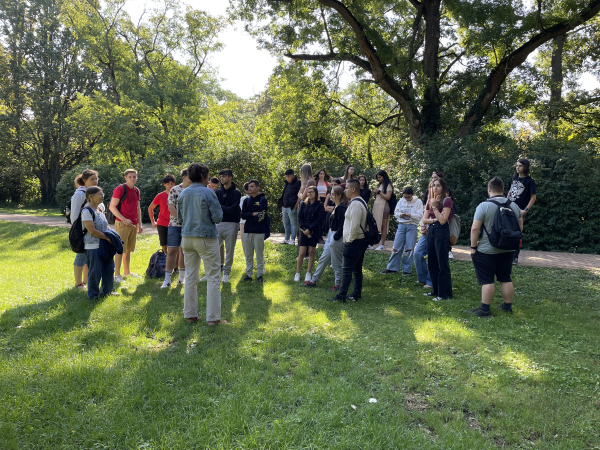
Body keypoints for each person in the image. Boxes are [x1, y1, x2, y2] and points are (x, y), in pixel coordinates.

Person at [466, 177, 523, 317]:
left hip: (487, 249)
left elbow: (474, 229)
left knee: (487, 280)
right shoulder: (514, 206)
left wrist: (473, 247)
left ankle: (484, 309)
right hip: (508, 248)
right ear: (503, 190)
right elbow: (520, 229)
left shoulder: (484, 206)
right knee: (505, 278)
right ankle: (507, 307)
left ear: (489, 189)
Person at [178, 163, 225, 325]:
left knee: (191, 276)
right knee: (213, 277)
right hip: (206, 237)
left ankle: (191, 314)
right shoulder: (208, 192)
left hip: (187, 237)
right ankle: (213, 318)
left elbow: (180, 218)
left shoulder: (184, 193)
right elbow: (218, 217)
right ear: (204, 176)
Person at [327, 179, 368, 303]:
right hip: (360, 240)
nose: (345, 190)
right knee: (356, 269)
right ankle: (356, 293)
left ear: (353, 189)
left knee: (347, 269)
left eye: (346, 188)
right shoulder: (361, 202)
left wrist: (349, 241)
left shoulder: (356, 204)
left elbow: (355, 225)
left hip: (355, 241)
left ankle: (341, 296)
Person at [305, 186, 347, 289]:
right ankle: (313, 280)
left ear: (339, 196)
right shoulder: (336, 206)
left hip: (336, 236)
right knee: (323, 259)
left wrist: (336, 236)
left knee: (336, 262)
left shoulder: (342, 208)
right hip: (331, 235)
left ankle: (338, 284)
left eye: (332, 194)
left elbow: (343, 224)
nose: (330, 196)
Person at [81, 187, 117, 300]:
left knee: (109, 269)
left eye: (102, 193)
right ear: (90, 197)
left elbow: (105, 226)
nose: (102, 196)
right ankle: (93, 296)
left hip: (105, 245)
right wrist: (108, 238)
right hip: (93, 246)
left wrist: (112, 235)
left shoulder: (100, 208)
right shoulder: (86, 211)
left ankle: (107, 292)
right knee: (95, 272)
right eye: (99, 194)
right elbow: (92, 231)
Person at [423, 177, 454, 301]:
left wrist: (435, 207)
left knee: (442, 263)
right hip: (431, 230)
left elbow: (443, 220)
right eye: (433, 185)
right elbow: (424, 220)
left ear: (443, 187)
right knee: (432, 262)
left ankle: (444, 293)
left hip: (442, 231)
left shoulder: (447, 201)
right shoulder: (429, 201)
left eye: (438, 186)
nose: (435, 188)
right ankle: (435, 290)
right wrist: (434, 219)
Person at [110, 169, 143, 282]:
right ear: (125, 178)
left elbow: (138, 208)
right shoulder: (120, 189)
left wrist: (139, 224)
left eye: (134, 176)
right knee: (120, 249)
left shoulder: (137, 190)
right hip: (122, 223)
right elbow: (112, 207)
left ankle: (127, 272)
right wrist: (124, 219)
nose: (133, 179)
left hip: (133, 224)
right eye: (130, 177)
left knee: (128, 250)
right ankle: (116, 275)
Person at [381, 186, 423, 275]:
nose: (407, 199)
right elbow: (395, 212)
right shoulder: (401, 201)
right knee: (396, 247)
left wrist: (410, 215)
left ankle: (406, 270)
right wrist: (400, 214)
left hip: (412, 225)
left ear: (413, 194)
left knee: (409, 248)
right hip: (401, 225)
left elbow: (420, 215)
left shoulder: (418, 202)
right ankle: (392, 268)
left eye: (409, 197)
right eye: (405, 197)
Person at [161, 169, 191, 289]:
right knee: (172, 250)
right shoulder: (175, 189)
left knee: (184, 251)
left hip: (189, 227)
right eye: (190, 177)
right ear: (184, 177)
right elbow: (171, 207)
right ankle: (167, 280)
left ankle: (181, 278)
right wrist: (183, 219)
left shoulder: (194, 190)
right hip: (175, 225)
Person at [70, 169, 98, 289]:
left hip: (93, 230)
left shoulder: (95, 193)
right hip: (82, 231)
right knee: (81, 256)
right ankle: (78, 283)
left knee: (89, 256)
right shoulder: (79, 194)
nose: (95, 181)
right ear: (84, 180)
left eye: (96, 179)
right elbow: (74, 215)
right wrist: (79, 231)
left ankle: (86, 281)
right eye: (92, 179)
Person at [507, 158, 536, 265]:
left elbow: (533, 197)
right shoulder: (513, 178)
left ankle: (515, 257)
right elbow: (509, 192)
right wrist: (505, 203)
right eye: (516, 165)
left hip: (520, 210)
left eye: (520, 165)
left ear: (525, 167)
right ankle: (506, 254)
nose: (517, 167)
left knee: (517, 233)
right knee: (506, 230)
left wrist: (526, 210)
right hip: (508, 208)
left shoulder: (530, 181)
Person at [295, 186, 325, 282]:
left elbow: (319, 220)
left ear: (315, 193)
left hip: (314, 231)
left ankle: (308, 272)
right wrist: (304, 228)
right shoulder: (303, 204)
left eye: (312, 192)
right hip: (304, 230)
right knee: (302, 253)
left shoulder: (320, 205)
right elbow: (300, 217)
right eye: (308, 192)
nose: (310, 194)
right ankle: (297, 273)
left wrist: (310, 229)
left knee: (311, 252)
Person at [216, 169, 241, 283]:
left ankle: (226, 273)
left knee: (229, 250)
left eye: (224, 176)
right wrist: (224, 208)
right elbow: (214, 208)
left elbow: (234, 210)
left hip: (232, 224)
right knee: (213, 250)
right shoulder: (217, 192)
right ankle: (214, 273)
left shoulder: (237, 193)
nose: (222, 178)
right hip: (218, 223)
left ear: (230, 178)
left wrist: (221, 207)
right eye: (221, 176)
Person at [241, 179, 268, 282]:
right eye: (249, 187)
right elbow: (243, 215)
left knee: (259, 255)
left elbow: (261, 215)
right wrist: (252, 214)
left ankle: (259, 275)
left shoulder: (262, 200)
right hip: (247, 231)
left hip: (258, 231)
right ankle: (248, 274)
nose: (250, 188)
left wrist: (251, 216)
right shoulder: (246, 200)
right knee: (248, 255)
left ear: (257, 187)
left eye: (252, 186)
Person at [148, 174, 175, 254]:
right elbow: (150, 208)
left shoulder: (177, 195)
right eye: (168, 184)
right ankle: (164, 264)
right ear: (164, 184)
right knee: (164, 246)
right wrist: (153, 221)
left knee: (173, 246)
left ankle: (175, 265)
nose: (170, 185)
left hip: (173, 223)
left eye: (172, 183)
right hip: (162, 223)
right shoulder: (160, 196)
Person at [371, 169, 393, 251]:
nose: (378, 179)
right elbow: (376, 197)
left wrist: (379, 192)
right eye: (377, 177)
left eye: (380, 177)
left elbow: (388, 197)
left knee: (384, 225)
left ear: (384, 176)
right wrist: (375, 192)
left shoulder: (388, 185)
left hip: (384, 207)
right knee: (375, 224)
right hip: (377, 206)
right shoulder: (379, 185)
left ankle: (382, 244)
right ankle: (372, 243)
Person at [280, 169, 301, 245]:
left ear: (293, 175)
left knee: (293, 223)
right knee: (286, 223)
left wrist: (296, 206)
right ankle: (286, 239)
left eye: (289, 176)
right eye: (286, 176)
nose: (287, 178)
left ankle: (292, 239)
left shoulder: (298, 183)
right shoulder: (287, 183)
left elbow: (300, 195)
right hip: (284, 206)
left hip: (292, 207)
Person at [239, 183, 250, 256]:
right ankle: (248, 262)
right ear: (246, 190)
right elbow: (242, 211)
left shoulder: (260, 198)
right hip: (243, 223)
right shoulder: (243, 199)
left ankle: (261, 263)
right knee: (245, 243)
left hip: (255, 223)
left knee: (257, 243)